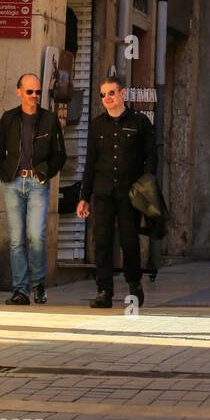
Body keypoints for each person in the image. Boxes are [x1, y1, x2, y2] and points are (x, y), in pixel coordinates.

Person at [76, 78, 156, 309]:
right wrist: (84, 196)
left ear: (122, 94)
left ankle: (134, 284)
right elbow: (90, 162)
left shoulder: (140, 122)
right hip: (102, 191)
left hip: (129, 192)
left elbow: (151, 156)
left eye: (111, 93)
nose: (107, 98)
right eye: (102, 95)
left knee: (129, 240)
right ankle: (104, 291)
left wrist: (146, 185)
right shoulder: (97, 125)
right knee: (101, 241)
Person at [0, 74, 66, 305]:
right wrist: (5, 173)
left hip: (38, 184)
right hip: (13, 184)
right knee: (16, 239)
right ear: (19, 92)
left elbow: (60, 155)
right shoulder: (8, 118)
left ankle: (38, 284)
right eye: (30, 92)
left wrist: (44, 172)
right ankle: (21, 290)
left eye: (38, 92)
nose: (35, 96)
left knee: (36, 235)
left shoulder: (49, 119)